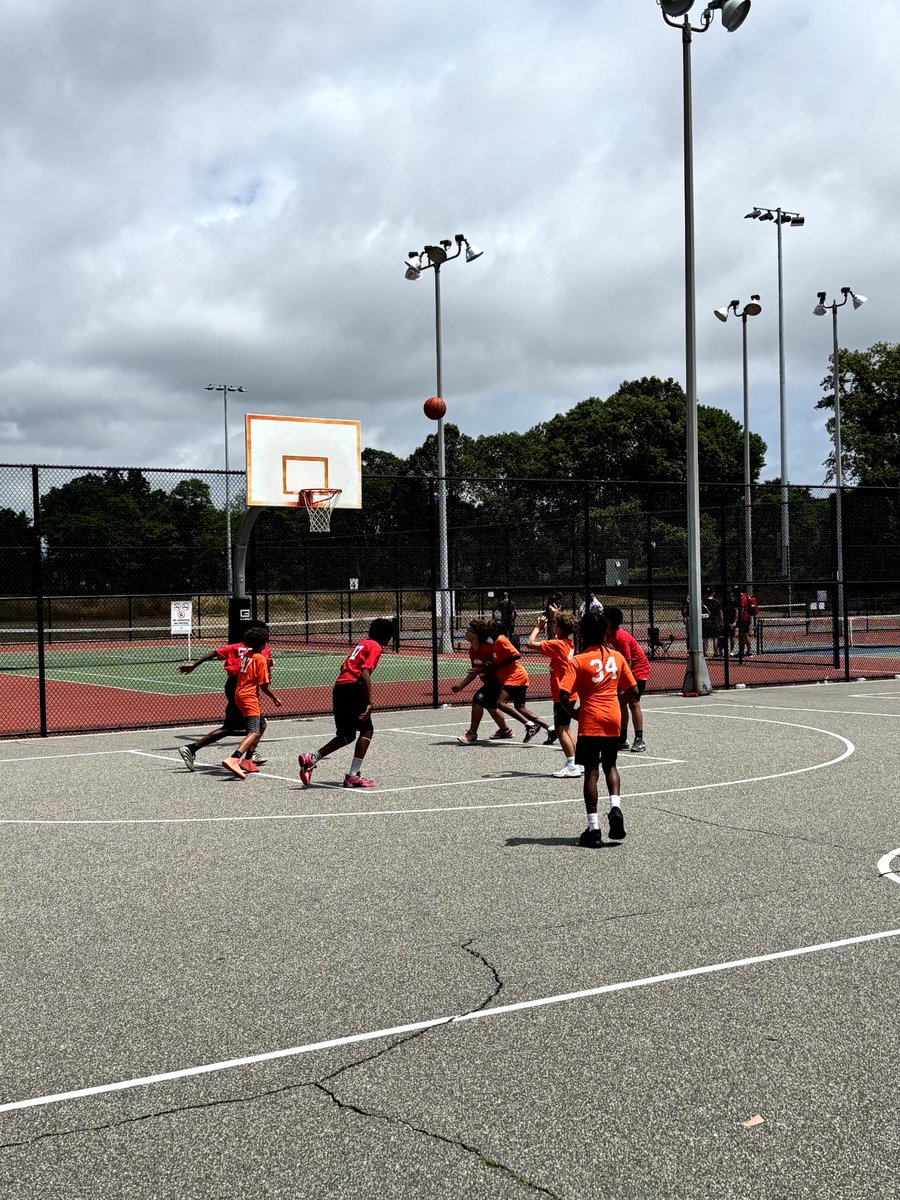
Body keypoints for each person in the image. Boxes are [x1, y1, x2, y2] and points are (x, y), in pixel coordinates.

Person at [559, 612, 638, 848]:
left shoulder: (578, 660)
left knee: (591, 771)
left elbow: (564, 694)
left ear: (581, 633)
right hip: (612, 717)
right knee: (610, 766)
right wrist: (617, 703)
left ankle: (593, 828)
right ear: (605, 632)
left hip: (591, 718)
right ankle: (615, 807)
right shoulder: (616, 657)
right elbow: (633, 690)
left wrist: (573, 713)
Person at [298, 618, 395, 789]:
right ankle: (352, 776)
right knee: (367, 730)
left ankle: (311, 758)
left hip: (340, 687)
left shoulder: (363, 644)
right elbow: (365, 673)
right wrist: (370, 701)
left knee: (347, 735)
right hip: (353, 687)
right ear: (386, 636)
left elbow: (343, 666)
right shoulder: (376, 647)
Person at [177, 625, 273, 770]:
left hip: (237, 686)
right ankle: (193, 748)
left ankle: (249, 755)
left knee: (257, 724)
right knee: (241, 727)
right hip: (243, 688)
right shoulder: (260, 649)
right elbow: (264, 674)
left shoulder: (238, 647)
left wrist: (194, 664)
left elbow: (213, 653)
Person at [524, 610, 582, 777]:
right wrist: (555, 617)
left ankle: (571, 765)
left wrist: (538, 627)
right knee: (566, 727)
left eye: (555, 625)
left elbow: (530, 643)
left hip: (561, 692)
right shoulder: (568, 643)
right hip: (570, 691)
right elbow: (554, 638)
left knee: (560, 729)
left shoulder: (557, 645)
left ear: (559, 628)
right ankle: (578, 761)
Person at [222, 627, 282, 779]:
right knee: (253, 731)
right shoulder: (260, 659)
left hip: (239, 694)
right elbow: (264, 685)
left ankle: (248, 760)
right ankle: (234, 758)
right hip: (249, 697)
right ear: (263, 644)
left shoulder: (247, 655)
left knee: (261, 724)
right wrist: (274, 698)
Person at [452, 617, 514, 743]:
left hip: (499, 681)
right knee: (491, 707)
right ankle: (505, 731)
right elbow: (474, 671)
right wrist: (461, 686)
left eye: (470, 630)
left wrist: (482, 669)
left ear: (477, 635)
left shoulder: (488, 648)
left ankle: (472, 734)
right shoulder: (472, 651)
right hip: (490, 682)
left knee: (478, 699)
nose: (467, 632)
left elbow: (497, 665)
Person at [489, 619, 552, 743]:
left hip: (515, 676)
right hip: (514, 677)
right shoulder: (496, 642)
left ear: (496, 629)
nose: (487, 629)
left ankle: (530, 725)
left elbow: (516, 655)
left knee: (500, 703)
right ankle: (550, 728)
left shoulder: (501, 640)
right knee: (520, 707)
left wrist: (498, 666)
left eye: (489, 627)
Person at [602, 606, 650, 753]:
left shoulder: (621, 637)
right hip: (622, 671)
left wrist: (623, 684)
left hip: (637, 671)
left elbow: (627, 663)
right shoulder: (606, 634)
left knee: (633, 702)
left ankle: (639, 739)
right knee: (620, 703)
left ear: (609, 621)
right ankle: (622, 739)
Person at [737, 584, 759, 657]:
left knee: (745, 635)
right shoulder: (746, 596)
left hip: (744, 618)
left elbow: (742, 608)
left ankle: (749, 650)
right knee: (743, 635)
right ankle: (742, 651)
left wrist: (739, 617)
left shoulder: (742, 597)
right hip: (746, 617)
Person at [702, 587, 723, 659]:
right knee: (715, 638)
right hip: (714, 621)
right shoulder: (716, 602)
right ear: (713, 593)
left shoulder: (703, 602)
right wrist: (721, 621)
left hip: (705, 621)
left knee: (705, 639)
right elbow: (720, 613)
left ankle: (705, 653)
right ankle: (716, 653)